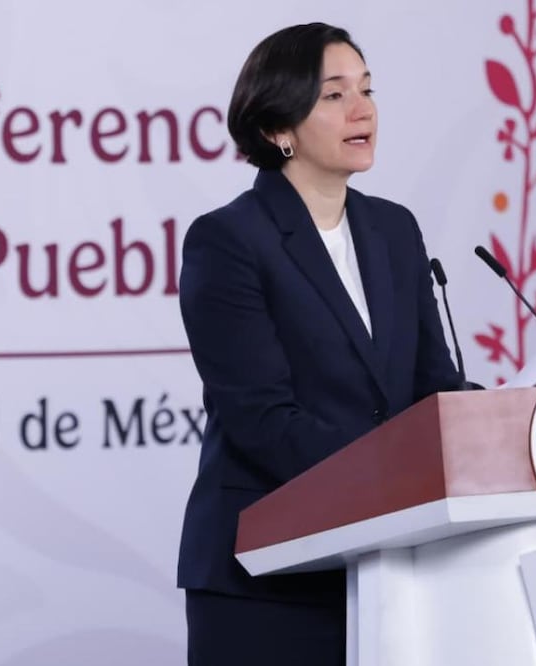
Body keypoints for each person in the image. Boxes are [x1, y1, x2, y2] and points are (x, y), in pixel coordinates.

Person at [176, 22, 463, 665]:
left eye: (366, 89)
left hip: (392, 568)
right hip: (269, 581)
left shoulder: (394, 229)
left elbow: (431, 387)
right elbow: (264, 422)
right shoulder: (228, 242)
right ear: (279, 127)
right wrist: (401, 469)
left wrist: (497, 421)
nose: (363, 109)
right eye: (333, 95)